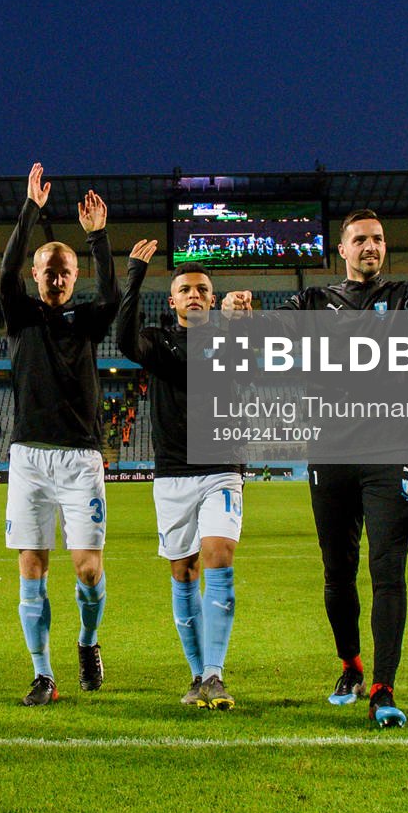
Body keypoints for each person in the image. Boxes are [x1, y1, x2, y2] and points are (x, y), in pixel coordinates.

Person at [281, 210, 408, 729]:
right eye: (361, 239)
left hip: (390, 451)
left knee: (388, 572)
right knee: (337, 572)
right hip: (330, 451)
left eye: (379, 239)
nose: (371, 246)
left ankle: (383, 688)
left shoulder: (407, 296)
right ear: (342, 250)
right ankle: (350, 665)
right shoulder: (312, 301)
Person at [1, 163, 118, 705]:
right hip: (28, 457)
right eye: (48, 268)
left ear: (74, 277)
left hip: (79, 459)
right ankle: (43, 673)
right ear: (36, 273)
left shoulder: (87, 321)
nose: (56, 277)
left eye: (64, 270)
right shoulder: (21, 315)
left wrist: (98, 238)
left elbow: (112, 297)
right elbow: (5, 272)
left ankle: (88, 641)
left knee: (88, 570)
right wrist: (31, 210)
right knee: (32, 567)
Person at [116, 240, 242, 710]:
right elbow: (124, 340)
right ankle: (196, 674)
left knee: (218, 554)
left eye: (201, 289)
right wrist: (134, 274)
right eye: (185, 289)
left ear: (212, 298)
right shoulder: (157, 341)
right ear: (172, 300)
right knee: (183, 570)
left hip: (221, 467)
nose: (194, 295)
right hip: (172, 474)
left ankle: (215, 673)